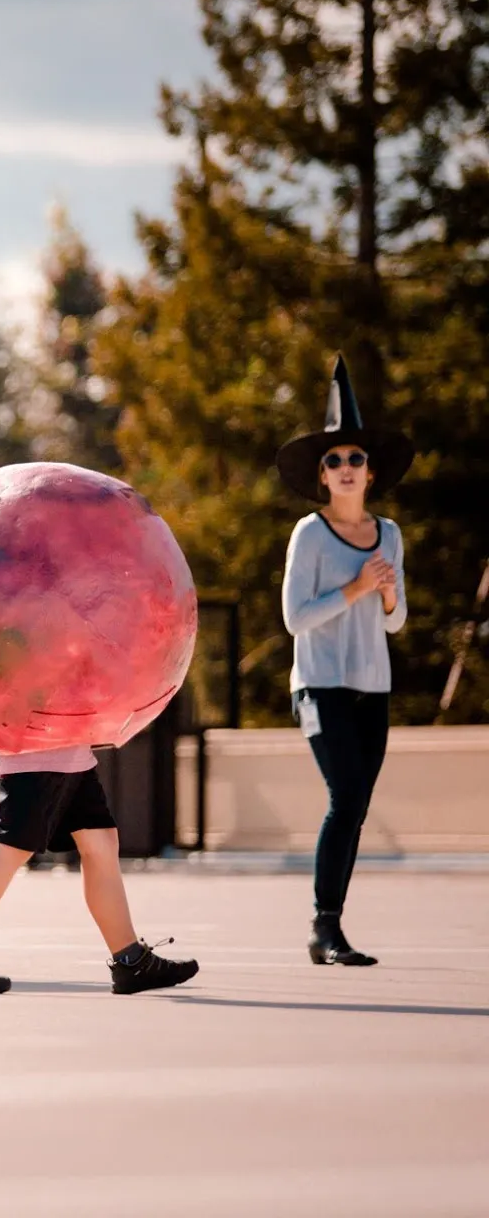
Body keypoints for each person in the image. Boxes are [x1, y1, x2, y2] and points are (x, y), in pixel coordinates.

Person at [275, 356, 413, 966]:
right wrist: (354, 589)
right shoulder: (308, 534)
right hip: (321, 685)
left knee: (355, 804)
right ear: (322, 476)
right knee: (347, 794)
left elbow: (397, 620)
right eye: (335, 460)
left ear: (371, 472)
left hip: (370, 685)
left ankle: (329, 928)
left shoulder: (390, 534)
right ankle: (324, 926)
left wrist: (384, 593)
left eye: (356, 458)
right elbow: (294, 619)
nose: (346, 467)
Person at [0, 743, 201, 996]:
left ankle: (131, 960)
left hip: (70, 750)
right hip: (40, 748)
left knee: (100, 840)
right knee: (12, 846)